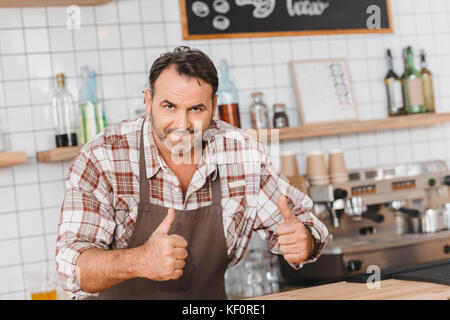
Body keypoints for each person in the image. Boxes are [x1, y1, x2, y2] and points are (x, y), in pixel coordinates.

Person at [55, 46, 329, 300]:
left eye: (196, 108)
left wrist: (303, 239)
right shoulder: (104, 156)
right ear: (149, 100)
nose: (182, 124)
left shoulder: (239, 153)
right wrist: (139, 261)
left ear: (214, 105)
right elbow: (72, 266)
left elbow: (304, 224)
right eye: (169, 106)